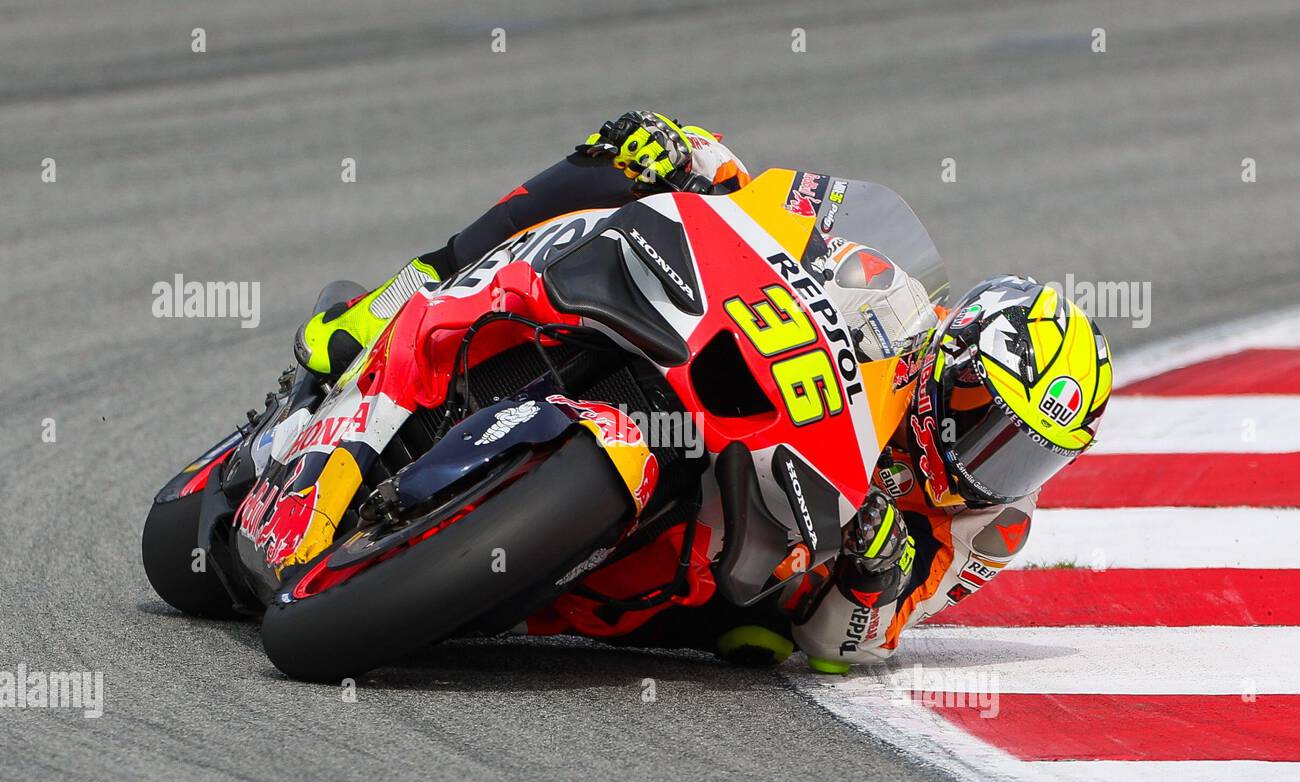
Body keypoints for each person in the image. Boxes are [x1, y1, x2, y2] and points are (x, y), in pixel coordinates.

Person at [293, 111, 1113, 672]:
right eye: (986, 420)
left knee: (756, 638)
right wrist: (704, 162)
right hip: (734, 382)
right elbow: (788, 216)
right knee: (629, 157)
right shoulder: (896, 295)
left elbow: (850, 645)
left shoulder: (989, 528)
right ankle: (395, 302)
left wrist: (873, 569)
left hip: (731, 550)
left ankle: (504, 557)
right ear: (955, 360)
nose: (991, 461)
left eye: (1030, 454)